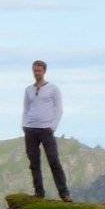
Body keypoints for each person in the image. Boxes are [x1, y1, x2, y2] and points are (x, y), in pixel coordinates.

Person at [23, 59, 70, 201]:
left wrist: (52, 127)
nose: (36, 73)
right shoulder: (28, 90)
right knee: (34, 163)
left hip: (46, 130)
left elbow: (59, 109)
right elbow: (26, 108)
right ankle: (39, 193)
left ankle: (64, 194)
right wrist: (24, 124)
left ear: (44, 71)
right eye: (34, 70)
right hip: (30, 129)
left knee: (53, 161)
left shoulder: (53, 89)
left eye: (39, 70)